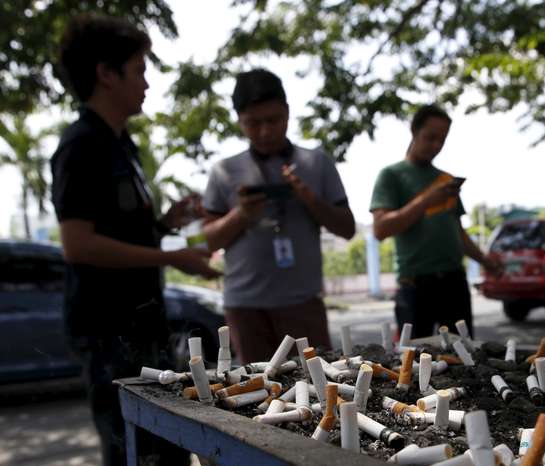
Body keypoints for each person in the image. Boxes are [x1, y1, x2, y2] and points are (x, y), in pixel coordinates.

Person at [51, 14, 220, 466]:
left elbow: (118, 232)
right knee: (135, 453)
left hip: (142, 325)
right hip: (109, 332)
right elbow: (79, 245)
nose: (147, 83)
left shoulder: (122, 145)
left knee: (165, 449)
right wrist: (177, 257)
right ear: (107, 73)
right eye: (140, 70)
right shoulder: (81, 145)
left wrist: (166, 224)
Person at [202, 69, 355, 364]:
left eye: (273, 120)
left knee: (318, 389)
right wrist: (240, 215)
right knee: (254, 394)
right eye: (253, 123)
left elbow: (347, 228)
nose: (264, 131)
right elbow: (203, 241)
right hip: (246, 308)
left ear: (287, 112)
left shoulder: (316, 163)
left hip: (303, 303)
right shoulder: (223, 171)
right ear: (239, 120)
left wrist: (309, 199)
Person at [370, 104, 502, 339]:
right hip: (415, 286)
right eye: (430, 137)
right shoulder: (391, 175)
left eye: (442, 140)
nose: (436, 146)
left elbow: (458, 234)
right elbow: (380, 229)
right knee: (413, 364)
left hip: (454, 283)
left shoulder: (446, 180)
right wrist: (426, 200)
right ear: (414, 131)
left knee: (464, 362)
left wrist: (486, 261)